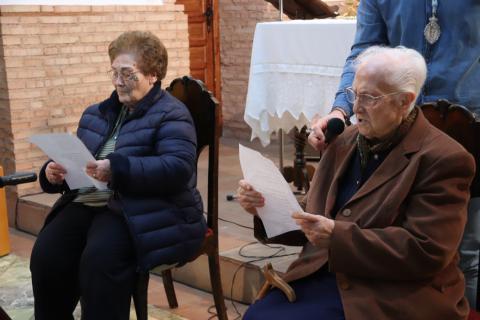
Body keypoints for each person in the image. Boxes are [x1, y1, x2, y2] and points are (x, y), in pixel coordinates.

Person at [238, 46, 476, 319]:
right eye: (354, 94)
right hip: (329, 272)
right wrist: (264, 208)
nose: (356, 107)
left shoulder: (444, 158)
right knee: (257, 316)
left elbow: (426, 250)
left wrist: (336, 236)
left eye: (369, 97)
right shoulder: (345, 140)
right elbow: (314, 220)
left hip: (394, 292)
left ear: (404, 101)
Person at [308, 0, 480, 309]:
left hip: (470, 124)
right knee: (388, 224)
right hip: (395, 123)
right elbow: (364, 55)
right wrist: (341, 110)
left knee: (466, 250)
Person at [29, 31, 207, 319]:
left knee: (100, 261)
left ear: (152, 75)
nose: (117, 81)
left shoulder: (172, 114)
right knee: (48, 255)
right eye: (114, 72)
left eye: (127, 73)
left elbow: (177, 168)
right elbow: (78, 157)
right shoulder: (95, 113)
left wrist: (117, 169)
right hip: (92, 202)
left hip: (144, 208)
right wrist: (53, 172)